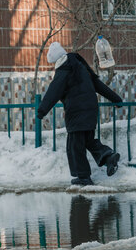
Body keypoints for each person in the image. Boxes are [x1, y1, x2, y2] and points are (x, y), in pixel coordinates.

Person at [37, 42, 123, 186]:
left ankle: (84, 177)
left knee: (75, 145)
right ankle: (108, 157)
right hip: (90, 110)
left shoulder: (63, 71)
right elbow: (98, 85)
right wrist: (116, 99)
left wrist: (41, 111)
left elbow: (53, 92)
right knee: (88, 141)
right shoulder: (80, 66)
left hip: (77, 113)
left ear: (56, 60)